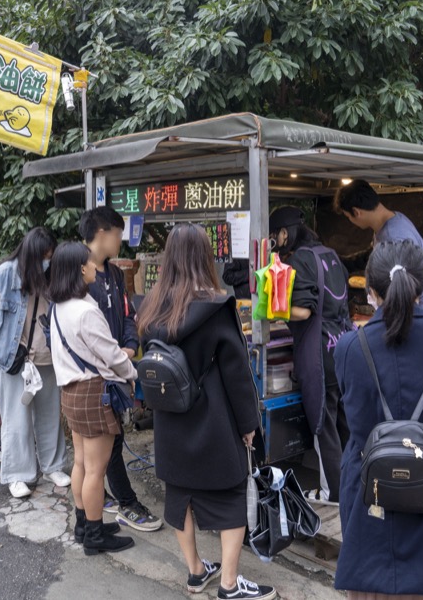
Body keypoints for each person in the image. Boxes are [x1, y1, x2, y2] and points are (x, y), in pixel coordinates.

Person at [138, 224, 274, 600]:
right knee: (231, 495)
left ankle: (196, 571)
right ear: (204, 257)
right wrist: (250, 426)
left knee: (180, 494)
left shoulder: (151, 306)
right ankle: (229, 585)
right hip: (214, 422)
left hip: (170, 418)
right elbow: (238, 375)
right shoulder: (216, 307)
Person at [333, 241, 423, 598]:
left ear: (370, 290)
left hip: (372, 501)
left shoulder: (350, 348)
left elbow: (353, 403)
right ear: (422, 286)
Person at [0, 228, 71, 499]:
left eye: (50, 257)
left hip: (47, 360)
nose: (47, 262)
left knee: (49, 416)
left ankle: (53, 466)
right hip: (15, 361)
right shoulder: (5, 274)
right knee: (16, 419)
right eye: (44, 257)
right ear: (31, 255)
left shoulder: (51, 276)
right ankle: (18, 475)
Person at [49, 241, 137, 555]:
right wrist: (132, 371)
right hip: (93, 392)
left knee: (82, 463)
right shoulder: (86, 310)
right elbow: (112, 355)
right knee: (96, 470)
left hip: (71, 392)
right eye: (88, 263)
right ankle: (96, 535)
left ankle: (84, 523)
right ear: (78, 270)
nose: (93, 268)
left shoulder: (59, 307)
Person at [79, 207, 163, 532]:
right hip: (94, 378)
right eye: (118, 233)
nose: (121, 240)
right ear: (103, 233)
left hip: (117, 368)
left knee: (106, 444)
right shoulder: (80, 275)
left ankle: (103, 503)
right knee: (108, 442)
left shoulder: (113, 273)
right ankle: (124, 505)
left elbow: (129, 313)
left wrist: (129, 347)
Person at [269, 206, 351, 504]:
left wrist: (270, 310)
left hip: (319, 355)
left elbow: (303, 310)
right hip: (342, 347)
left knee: (323, 426)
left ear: (284, 233)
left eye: (275, 235)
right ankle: (353, 486)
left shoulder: (301, 260)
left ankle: (333, 494)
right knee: (344, 424)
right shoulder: (329, 254)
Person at [335, 179, 423, 319]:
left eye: (348, 217)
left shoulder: (394, 236)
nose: (350, 221)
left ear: (356, 212)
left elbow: (407, 289)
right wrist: (338, 261)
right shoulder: (390, 223)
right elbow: (370, 256)